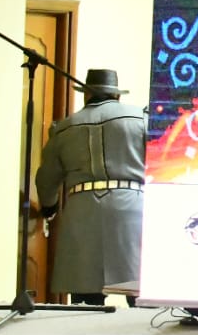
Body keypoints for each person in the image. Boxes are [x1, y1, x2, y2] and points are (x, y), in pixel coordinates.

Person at [33, 68, 146, 305]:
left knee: (85, 300)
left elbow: (46, 178)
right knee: (141, 294)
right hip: (132, 207)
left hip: (82, 211)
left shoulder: (64, 128)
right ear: (117, 95)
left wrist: (49, 207)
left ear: (86, 94)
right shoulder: (140, 119)